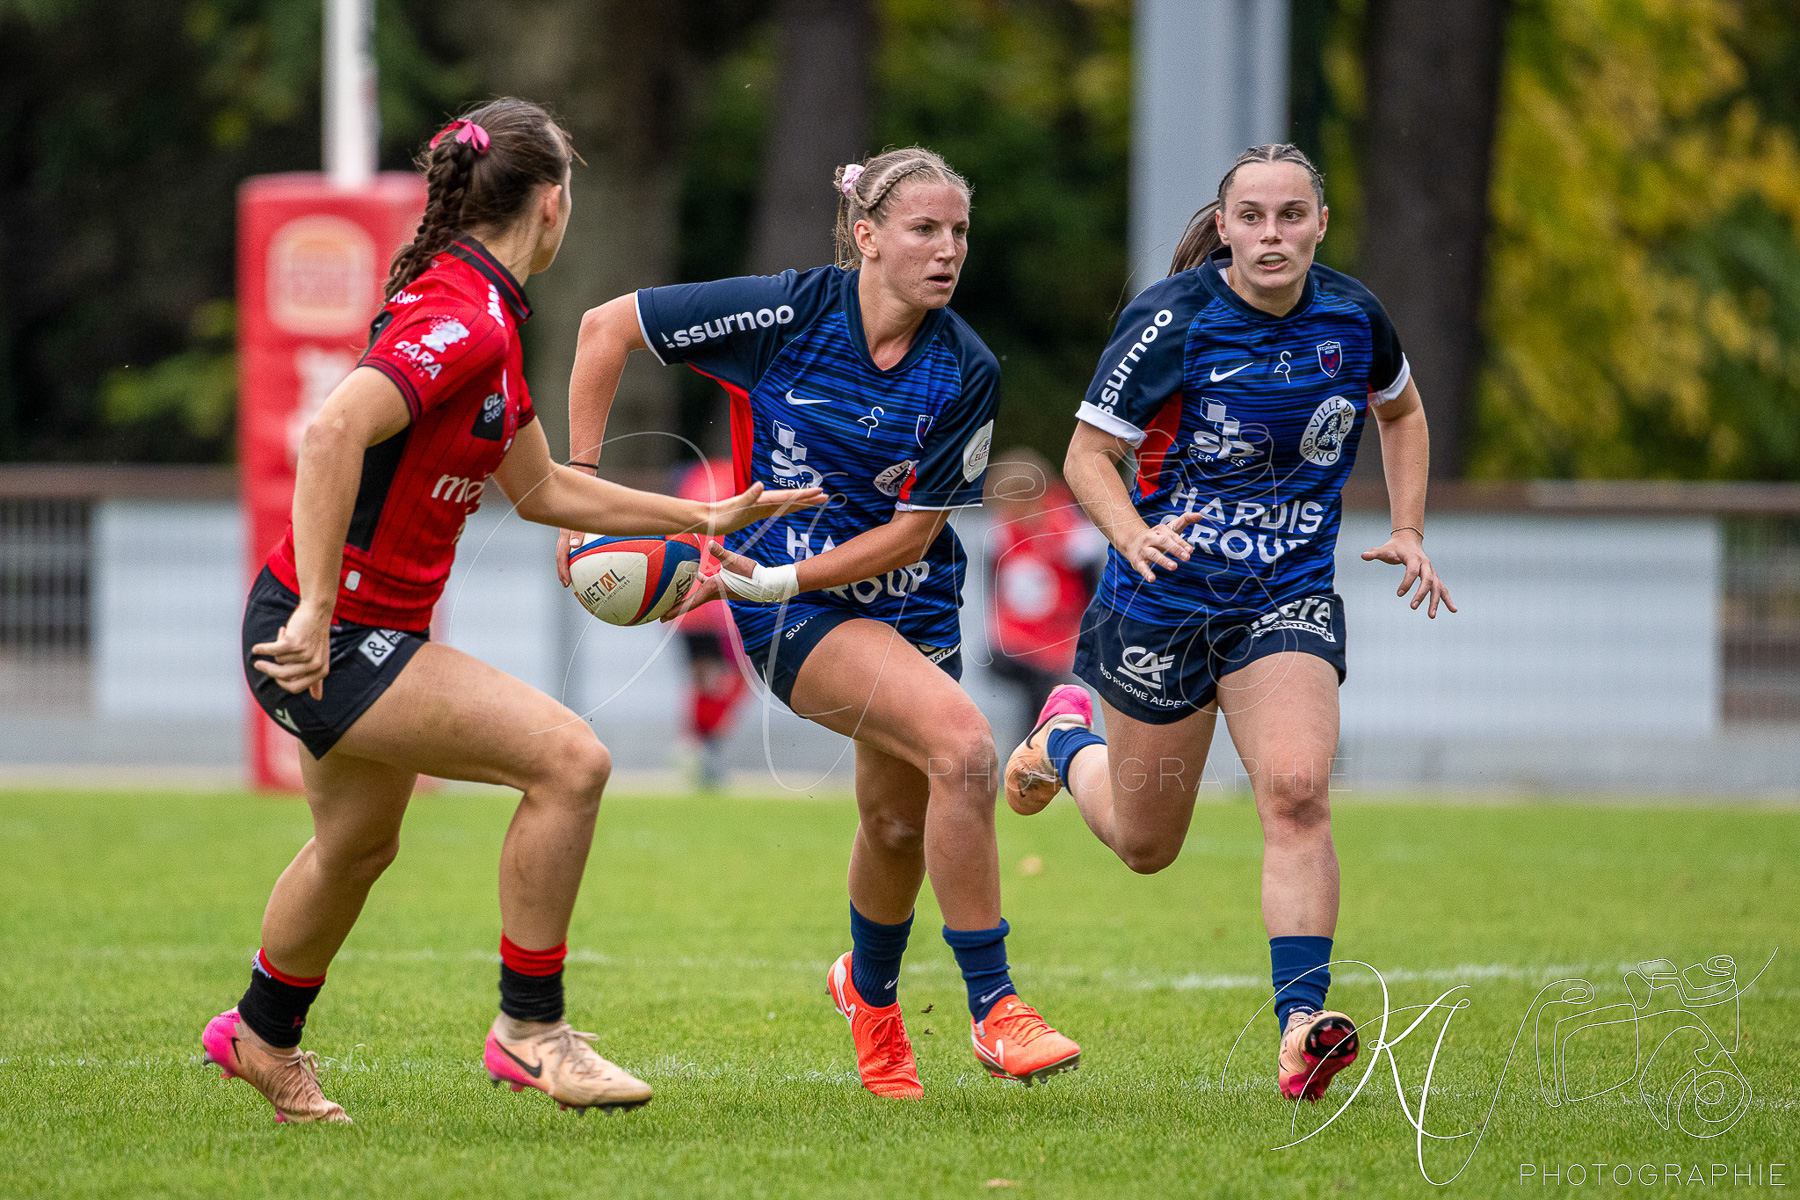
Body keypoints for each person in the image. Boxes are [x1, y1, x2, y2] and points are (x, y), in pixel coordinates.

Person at [203, 98, 822, 1125]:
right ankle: (530, 1031)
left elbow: (543, 493)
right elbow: (329, 435)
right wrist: (315, 609)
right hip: (337, 636)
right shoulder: (461, 320)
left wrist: (705, 513)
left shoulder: (488, 318)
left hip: (360, 628)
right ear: (551, 203)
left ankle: (261, 1037)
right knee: (569, 762)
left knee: (357, 845)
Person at [561, 147, 1080, 1098]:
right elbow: (603, 330)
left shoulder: (966, 367)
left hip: (899, 601)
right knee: (964, 747)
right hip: (788, 610)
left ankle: (870, 1001)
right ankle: (996, 1009)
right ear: (868, 237)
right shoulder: (785, 312)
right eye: (925, 229)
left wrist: (783, 576)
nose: (947, 250)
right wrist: (587, 497)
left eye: (960, 232)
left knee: (892, 823)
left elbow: (911, 536)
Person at [1002, 143, 1455, 1104]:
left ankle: (1301, 1027)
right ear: (1225, 224)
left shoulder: (1353, 314)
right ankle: (1064, 739)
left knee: (1295, 791)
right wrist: (1133, 535)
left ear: (1320, 223)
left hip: (1282, 598)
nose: (1273, 234)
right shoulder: (1170, 322)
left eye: (1292, 215)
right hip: (1161, 602)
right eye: (1253, 216)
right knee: (1144, 843)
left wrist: (1409, 527)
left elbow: (1403, 413)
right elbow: (1087, 458)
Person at [982, 448, 1106, 744]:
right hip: (1016, 637)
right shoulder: (1003, 532)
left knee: (1046, 698)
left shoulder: (1068, 529)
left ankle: (1039, 757)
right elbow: (995, 585)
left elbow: (1091, 582)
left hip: (1057, 637)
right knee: (1034, 693)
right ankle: (1029, 757)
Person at [670, 456, 752, 789]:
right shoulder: (746, 476)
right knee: (738, 676)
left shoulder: (691, 475)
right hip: (721, 598)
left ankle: (695, 747)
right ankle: (703, 747)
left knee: (704, 678)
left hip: (685, 594)